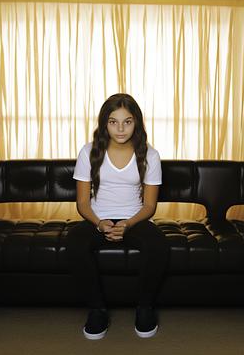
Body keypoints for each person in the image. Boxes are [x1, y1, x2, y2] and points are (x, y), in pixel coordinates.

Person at [66, 93, 169, 340]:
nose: (121, 128)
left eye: (127, 121)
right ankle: (97, 309)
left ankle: (144, 308)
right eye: (113, 122)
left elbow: (150, 206)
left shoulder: (150, 155)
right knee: (74, 243)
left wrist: (128, 223)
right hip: (97, 218)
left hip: (135, 219)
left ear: (137, 123)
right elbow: (82, 202)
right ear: (104, 124)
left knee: (158, 245)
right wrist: (100, 224)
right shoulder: (89, 152)